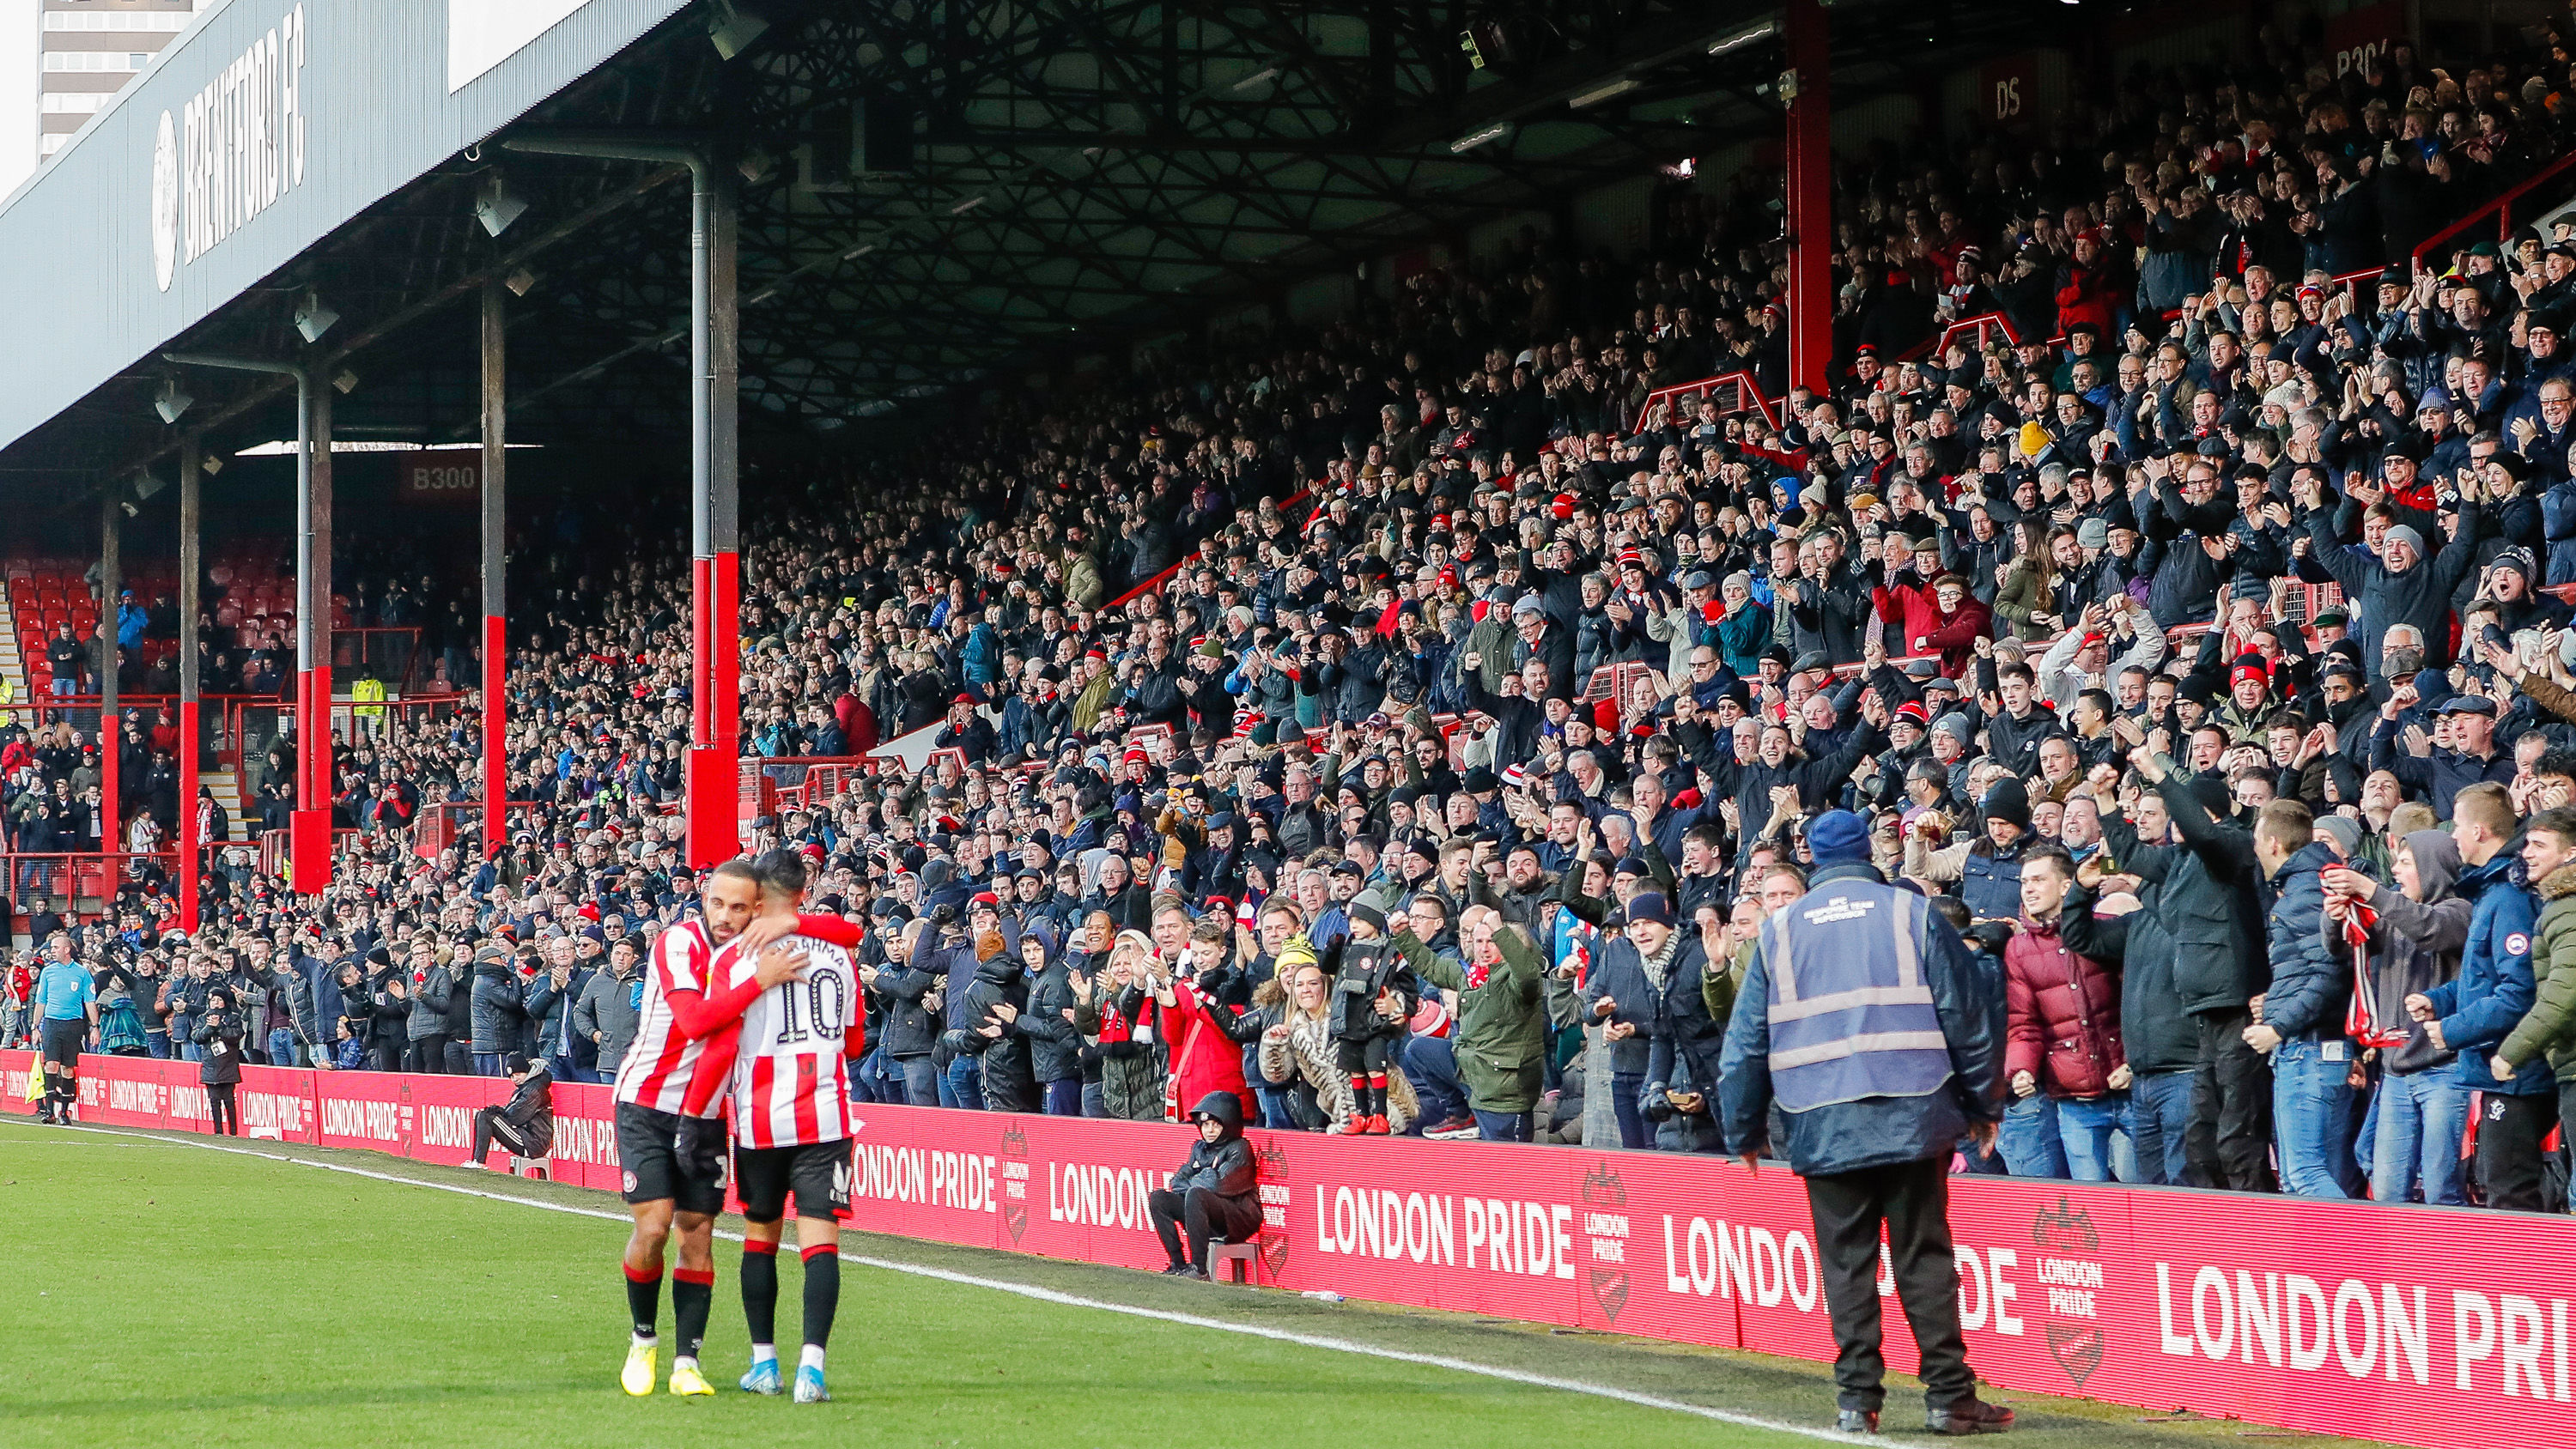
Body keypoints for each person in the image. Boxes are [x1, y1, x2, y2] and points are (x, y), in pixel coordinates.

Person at [1719, 809, 2012, 1436]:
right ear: (1868, 852)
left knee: (1846, 1264)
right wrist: (1984, 1105)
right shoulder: (1910, 913)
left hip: (1819, 1116)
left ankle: (1857, 1401)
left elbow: (1744, 1044)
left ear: (1814, 858)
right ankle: (1949, 1399)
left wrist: (1742, 1130)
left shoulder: (1780, 931)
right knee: (1924, 1257)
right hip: (1914, 1108)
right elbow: (1968, 1014)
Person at [609, 860, 806, 1400]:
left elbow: (840, 933)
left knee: (696, 1233)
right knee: (654, 1228)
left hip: (710, 1115)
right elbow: (695, 1021)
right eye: (718, 902)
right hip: (647, 1103)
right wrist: (761, 981)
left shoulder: (755, 949)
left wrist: (790, 927)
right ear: (705, 896)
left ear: (756, 909)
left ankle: (686, 1362)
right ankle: (643, 1340)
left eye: (739, 907)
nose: (725, 916)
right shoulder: (679, 940)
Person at [722, 849, 865, 1404]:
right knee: (820, 1245)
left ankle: (765, 1364)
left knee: (760, 1240)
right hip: (827, 1115)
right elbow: (853, 1043)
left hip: (760, 1120)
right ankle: (813, 1370)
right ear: (804, 895)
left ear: (758, 897)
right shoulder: (840, 953)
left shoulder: (737, 955)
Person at [2409, 784, 2551, 1210]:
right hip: (2502, 1068)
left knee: (2510, 1191)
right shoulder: (2492, 892)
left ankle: (2528, 1278)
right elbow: (2484, 980)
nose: (2452, 836)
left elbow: (2519, 991)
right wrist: (2441, 999)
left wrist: (2452, 1030)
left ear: (2481, 830)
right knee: (2503, 1184)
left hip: (2517, 1073)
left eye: (2457, 826)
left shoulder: (2508, 896)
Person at [1147, 1091, 1261, 1279]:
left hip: (1238, 1216)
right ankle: (1178, 1263)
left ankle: (1199, 1268)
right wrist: (1203, 1176)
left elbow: (1219, 1185)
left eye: (1216, 1125)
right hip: (1204, 1211)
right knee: (1159, 1198)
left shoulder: (1240, 1148)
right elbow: (1177, 1182)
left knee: (1195, 1194)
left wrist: (1198, 1176)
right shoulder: (1199, 1147)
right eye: (1206, 1125)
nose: (1209, 1130)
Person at [32, 934, 94, 1125]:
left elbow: (89, 1001)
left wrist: (95, 1026)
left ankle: (64, 1112)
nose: (52, 951)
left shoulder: (82, 973)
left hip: (73, 1025)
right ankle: (49, 1111)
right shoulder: (48, 972)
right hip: (51, 1023)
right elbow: (40, 1001)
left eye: (55, 948)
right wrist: (35, 1026)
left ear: (66, 950)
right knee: (51, 1064)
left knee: (68, 1068)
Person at [468, 1052, 556, 1169]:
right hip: (526, 1137)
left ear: (527, 1071)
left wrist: (499, 1112)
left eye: (518, 1074)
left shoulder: (536, 1089)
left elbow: (515, 1117)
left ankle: (479, 1163)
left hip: (534, 1142)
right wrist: (500, 1112)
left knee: (486, 1117)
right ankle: (476, 1160)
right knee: (482, 1115)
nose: (515, 1079)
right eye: (512, 1076)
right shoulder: (525, 1088)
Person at [194, 985, 246, 1136]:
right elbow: (197, 1037)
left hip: (228, 1064)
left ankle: (234, 1131)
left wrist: (220, 1027)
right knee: (214, 1101)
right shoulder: (202, 1018)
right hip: (210, 1065)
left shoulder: (233, 1017)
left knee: (229, 1100)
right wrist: (210, 1027)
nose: (216, 1003)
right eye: (213, 1000)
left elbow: (235, 1036)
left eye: (219, 999)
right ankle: (218, 1131)